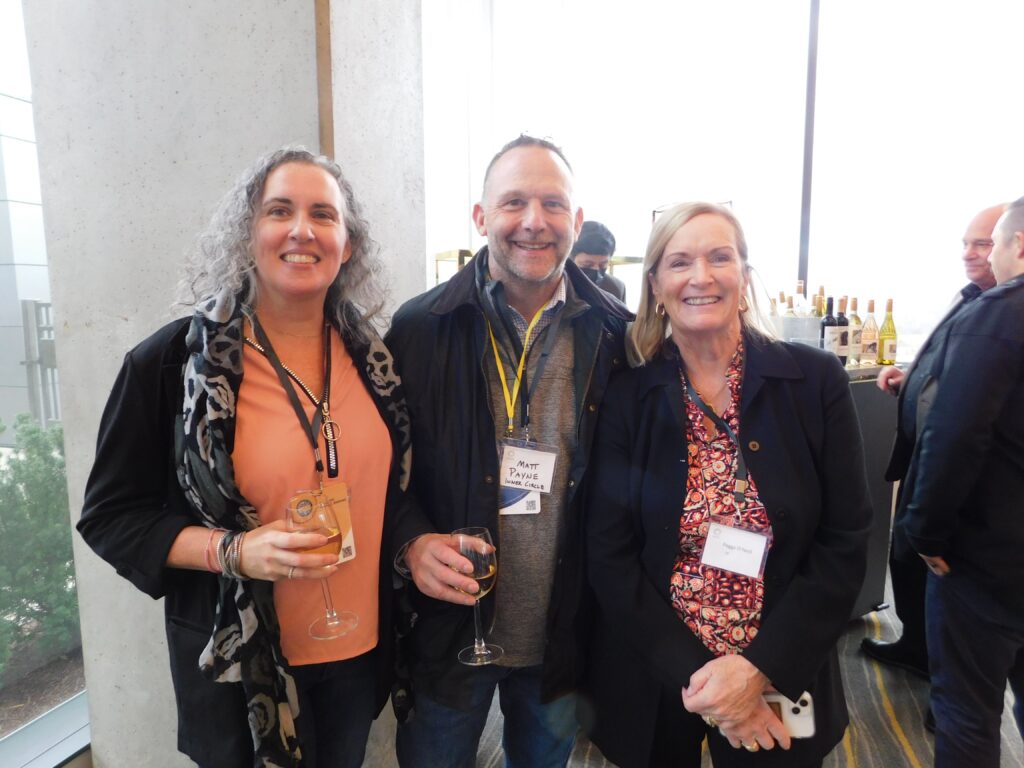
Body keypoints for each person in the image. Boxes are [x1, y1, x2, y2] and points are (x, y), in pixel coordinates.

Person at [77, 148, 412, 768]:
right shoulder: (172, 366)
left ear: (349, 243)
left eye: (324, 215)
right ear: (246, 232)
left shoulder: (376, 361)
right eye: (278, 210)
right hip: (241, 670)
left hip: (357, 654)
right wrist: (231, 551)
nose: (302, 230)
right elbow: (110, 517)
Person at [581, 202, 871, 767]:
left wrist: (755, 670)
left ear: (744, 275)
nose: (700, 276)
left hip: (779, 668)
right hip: (660, 670)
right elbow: (609, 553)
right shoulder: (628, 398)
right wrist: (708, 681)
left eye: (720, 258)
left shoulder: (813, 383)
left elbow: (845, 540)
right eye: (679, 261)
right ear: (656, 284)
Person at [385, 135, 632, 767]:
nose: (533, 221)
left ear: (575, 222)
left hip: (562, 631)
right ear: (480, 218)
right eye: (513, 202)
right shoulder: (419, 330)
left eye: (553, 204)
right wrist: (410, 541)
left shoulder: (617, 337)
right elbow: (380, 471)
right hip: (451, 629)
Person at [897, 196, 1024, 768]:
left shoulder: (1000, 313)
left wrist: (925, 533)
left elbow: (955, 435)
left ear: (1017, 244)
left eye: (991, 242)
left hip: (987, 556)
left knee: (967, 711)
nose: (984, 255)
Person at [862, 203, 1005, 685]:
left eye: (983, 243)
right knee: (905, 558)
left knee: (945, 573)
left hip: (964, 474)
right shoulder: (973, 299)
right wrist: (911, 380)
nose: (970, 253)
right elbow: (955, 378)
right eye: (966, 242)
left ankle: (948, 691)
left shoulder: (1003, 313)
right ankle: (917, 648)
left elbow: (972, 414)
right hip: (926, 458)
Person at [572, 220, 627, 301]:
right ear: (570, 258)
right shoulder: (554, 287)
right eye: (587, 265)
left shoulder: (616, 288)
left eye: (603, 265)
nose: (596, 270)